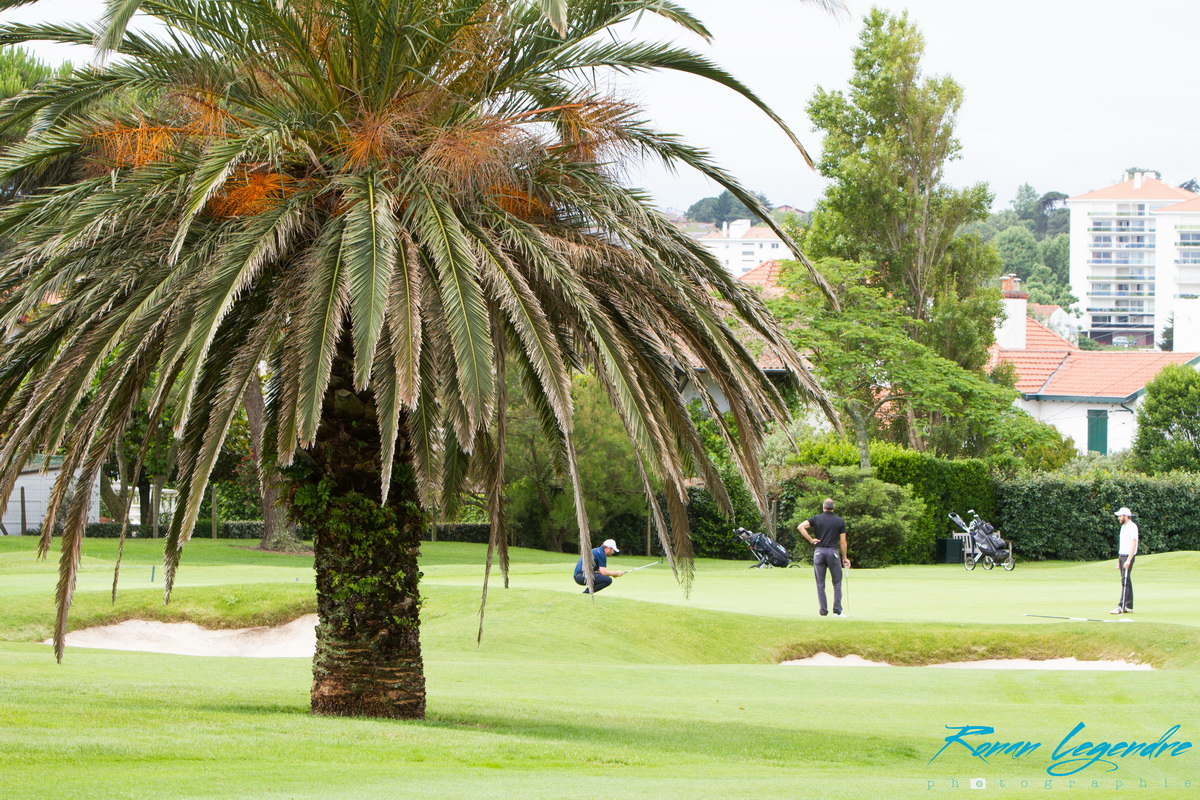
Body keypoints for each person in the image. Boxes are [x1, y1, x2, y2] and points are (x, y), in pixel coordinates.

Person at [797, 498, 851, 616]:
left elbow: (801, 527)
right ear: (833, 508)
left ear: (823, 507)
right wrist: (844, 558)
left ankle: (823, 611)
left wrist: (811, 540)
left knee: (820, 583)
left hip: (819, 552)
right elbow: (843, 541)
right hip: (832, 553)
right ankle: (837, 611)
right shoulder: (839, 521)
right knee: (837, 582)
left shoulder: (816, 518)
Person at [1111, 507, 1138, 615]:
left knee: (1125, 581)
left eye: (1120, 516)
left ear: (1126, 516)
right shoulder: (1123, 527)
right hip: (1122, 556)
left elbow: (1133, 543)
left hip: (1128, 556)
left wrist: (1128, 560)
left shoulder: (1132, 526)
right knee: (1126, 580)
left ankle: (1121, 606)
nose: (1118, 518)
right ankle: (1128, 606)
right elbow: (1123, 544)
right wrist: (1119, 560)